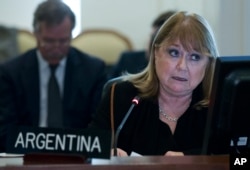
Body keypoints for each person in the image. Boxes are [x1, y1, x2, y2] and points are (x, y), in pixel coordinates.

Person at [89, 11, 219, 156]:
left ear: (208, 64)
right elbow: (87, 150)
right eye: (174, 53)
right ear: (156, 52)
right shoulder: (120, 96)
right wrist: (106, 153)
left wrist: (191, 160)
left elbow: (241, 160)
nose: (182, 66)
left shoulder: (220, 108)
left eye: (194, 57)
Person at [0, 0, 107, 151]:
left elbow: (99, 128)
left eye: (63, 41)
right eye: (49, 41)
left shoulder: (93, 71)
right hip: (26, 155)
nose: (57, 48)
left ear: (71, 34)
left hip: (76, 155)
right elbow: (5, 130)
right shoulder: (11, 73)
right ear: (36, 34)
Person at [109, 11, 176, 79]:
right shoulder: (128, 60)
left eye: (159, 39)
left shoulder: (179, 69)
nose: (153, 43)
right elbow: (111, 87)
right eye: (152, 37)